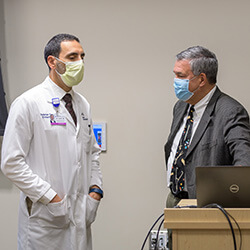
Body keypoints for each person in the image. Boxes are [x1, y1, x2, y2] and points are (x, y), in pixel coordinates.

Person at [1, 33, 103, 250]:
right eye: (73, 57)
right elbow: (11, 163)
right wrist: (50, 197)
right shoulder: (28, 103)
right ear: (52, 61)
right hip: (45, 219)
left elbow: (91, 152)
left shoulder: (82, 105)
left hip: (79, 214)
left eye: (82, 56)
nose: (80, 63)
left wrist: (96, 189)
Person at [164, 46, 250, 249]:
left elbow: (244, 160)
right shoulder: (181, 106)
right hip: (175, 199)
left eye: (180, 75)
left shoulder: (231, 111)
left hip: (206, 208)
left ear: (201, 79)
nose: (175, 81)